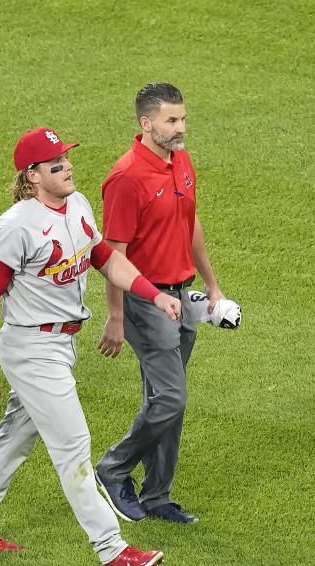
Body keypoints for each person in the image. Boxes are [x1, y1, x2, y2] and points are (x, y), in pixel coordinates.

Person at [0, 127, 183, 566]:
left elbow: (105, 258)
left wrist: (154, 295)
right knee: (74, 449)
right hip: (31, 347)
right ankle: (113, 552)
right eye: (56, 164)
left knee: (17, 434)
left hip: (61, 343)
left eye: (67, 159)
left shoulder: (76, 206)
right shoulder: (13, 227)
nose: (67, 166)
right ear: (32, 176)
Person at [95, 82, 227, 525]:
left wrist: (212, 286)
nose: (181, 128)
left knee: (166, 398)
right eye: (171, 121)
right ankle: (113, 468)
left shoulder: (181, 160)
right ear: (145, 122)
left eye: (183, 118)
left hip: (181, 294)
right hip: (144, 300)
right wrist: (116, 316)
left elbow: (190, 224)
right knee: (170, 398)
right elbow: (113, 255)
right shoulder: (126, 177)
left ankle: (157, 496)